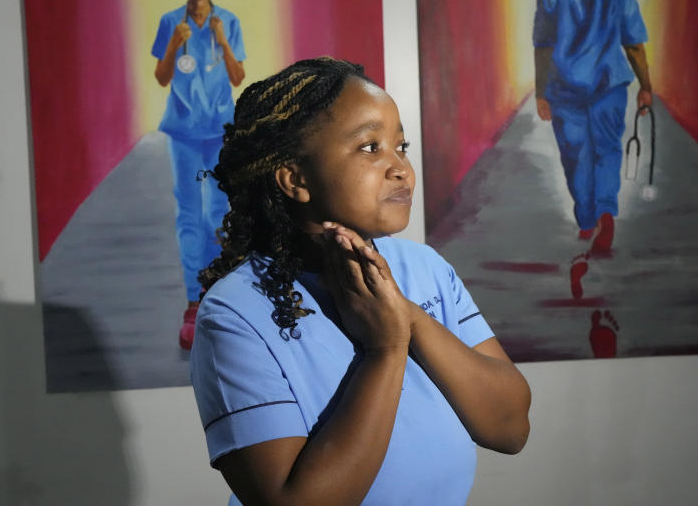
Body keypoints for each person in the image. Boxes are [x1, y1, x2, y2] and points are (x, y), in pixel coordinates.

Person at [190, 57, 531, 505]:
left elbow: (510, 428)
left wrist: (407, 316)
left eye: (401, 146)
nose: (401, 169)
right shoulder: (233, 314)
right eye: (371, 147)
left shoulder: (424, 268)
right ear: (295, 178)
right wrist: (386, 348)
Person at [151, 0, 246, 349]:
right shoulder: (171, 22)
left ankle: (218, 297)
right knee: (189, 215)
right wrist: (174, 43)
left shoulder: (229, 21)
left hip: (221, 133)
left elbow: (239, 77)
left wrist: (223, 42)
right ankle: (194, 302)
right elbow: (161, 76)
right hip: (185, 135)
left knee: (220, 214)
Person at [533, 0, 653, 253]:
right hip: (609, 87)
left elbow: (543, 47)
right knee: (608, 151)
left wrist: (540, 92)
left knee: (575, 156)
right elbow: (634, 45)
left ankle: (586, 222)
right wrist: (646, 87)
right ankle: (605, 212)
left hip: (564, 89)